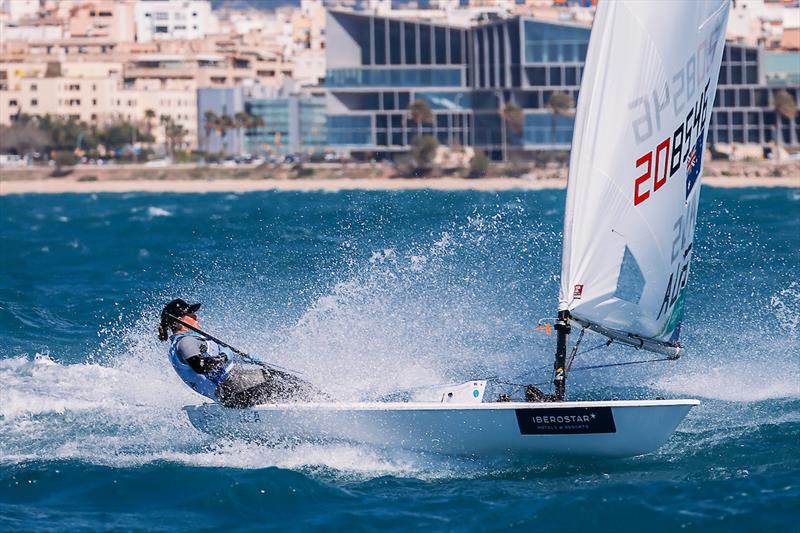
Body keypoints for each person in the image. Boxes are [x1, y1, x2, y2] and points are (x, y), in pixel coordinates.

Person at [158, 298, 316, 408]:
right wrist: (225, 356)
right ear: (180, 320)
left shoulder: (186, 341)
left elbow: (212, 361)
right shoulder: (186, 342)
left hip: (230, 392)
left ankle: (319, 401)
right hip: (232, 393)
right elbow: (201, 366)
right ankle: (318, 403)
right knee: (277, 381)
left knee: (274, 375)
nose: (196, 316)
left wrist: (242, 358)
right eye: (191, 314)